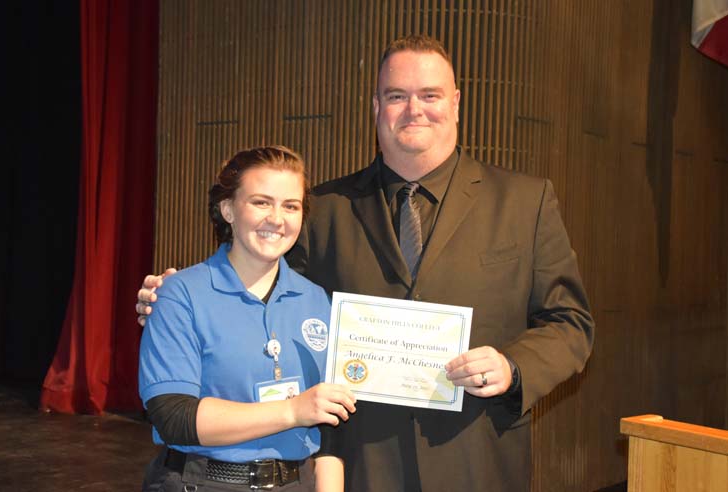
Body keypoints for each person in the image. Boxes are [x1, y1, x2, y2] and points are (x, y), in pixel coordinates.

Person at [138, 36, 594, 491]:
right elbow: (259, 282)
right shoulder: (323, 209)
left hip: (476, 458)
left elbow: (570, 322)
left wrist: (514, 368)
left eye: (430, 95)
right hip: (359, 463)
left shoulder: (525, 201)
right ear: (377, 106)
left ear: (455, 104)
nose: (414, 109)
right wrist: (177, 292)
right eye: (397, 96)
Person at [138, 145, 356, 491]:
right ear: (227, 209)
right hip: (201, 483)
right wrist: (292, 411)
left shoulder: (317, 301)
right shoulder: (180, 294)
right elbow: (174, 417)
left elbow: (334, 426)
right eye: (261, 202)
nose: (277, 218)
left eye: (291, 206)